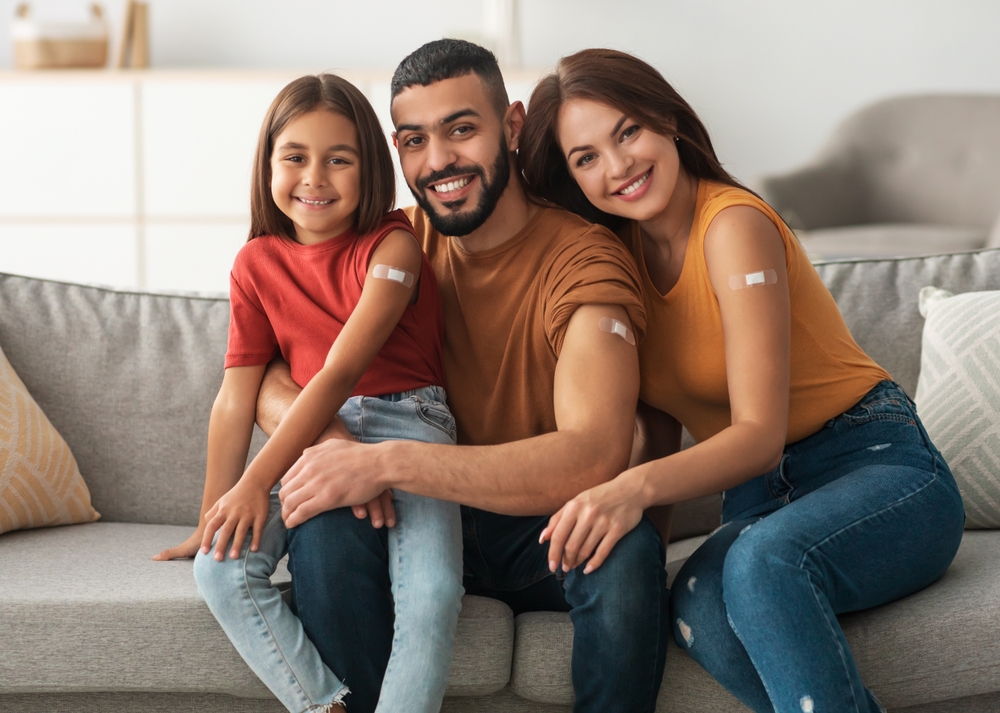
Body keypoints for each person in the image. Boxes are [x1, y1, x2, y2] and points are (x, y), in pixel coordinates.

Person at [518, 48, 966, 713]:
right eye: (586, 158)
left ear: (668, 120)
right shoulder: (617, 262)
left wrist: (624, 491)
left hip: (877, 463)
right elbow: (662, 427)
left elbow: (757, 437)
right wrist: (641, 549)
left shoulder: (734, 226)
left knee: (761, 568)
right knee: (694, 600)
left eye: (627, 132)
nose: (618, 167)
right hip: (762, 501)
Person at [257, 40, 672, 713]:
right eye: (415, 140)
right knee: (324, 524)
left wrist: (389, 461)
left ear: (509, 127)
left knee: (624, 548)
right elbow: (268, 370)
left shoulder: (582, 260)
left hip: (534, 522)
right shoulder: (394, 246)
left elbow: (593, 455)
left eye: (461, 129)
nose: (439, 160)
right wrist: (330, 439)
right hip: (414, 518)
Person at [152, 74, 464, 713]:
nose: (314, 177)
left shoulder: (394, 245)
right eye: (295, 157)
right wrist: (215, 511)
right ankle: (326, 705)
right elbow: (236, 396)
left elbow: (340, 374)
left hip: (413, 426)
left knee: (431, 593)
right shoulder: (255, 264)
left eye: (338, 160)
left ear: (369, 167)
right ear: (268, 164)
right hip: (316, 438)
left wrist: (258, 475)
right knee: (220, 569)